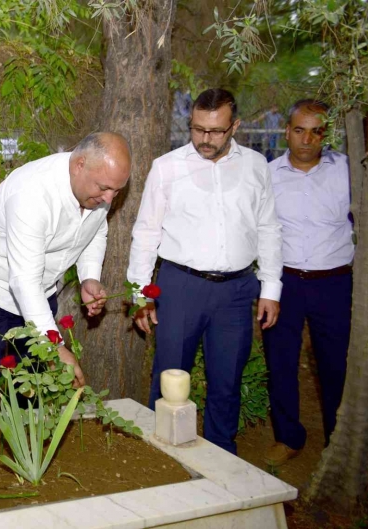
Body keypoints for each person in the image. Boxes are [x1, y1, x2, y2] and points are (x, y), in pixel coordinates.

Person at [127, 88, 283, 455]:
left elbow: (269, 228)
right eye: (197, 129)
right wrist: (139, 294)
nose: (204, 139)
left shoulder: (256, 166)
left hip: (237, 290)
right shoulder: (167, 167)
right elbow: (146, 232)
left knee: (227, 378)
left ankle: (222, 455)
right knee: (169, 376)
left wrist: (271, 289)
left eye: (215, 131)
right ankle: (162, 453)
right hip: (180, 287)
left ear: (235, 126)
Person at [0, 132, 132, 417]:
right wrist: (55, 346)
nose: (109, 198)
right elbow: (23, 281)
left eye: (117, 191)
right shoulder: (32, 192)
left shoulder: (96, 188)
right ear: (79, 164)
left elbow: (96, 229)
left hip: (40, 286)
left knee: (34, 379)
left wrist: (88, 276)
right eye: (104, 188)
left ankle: (27, 448)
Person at [262, 100, 353, 466]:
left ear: (325, 134)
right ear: (287, 131)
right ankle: (288, 437)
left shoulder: (347, 171)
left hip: (334, 282)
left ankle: (338, 441)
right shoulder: (268, 175)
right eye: (299, 130)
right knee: (280, 361)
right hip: (284, 282)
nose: (307, 139)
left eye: (316, 131)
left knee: (336, 364)